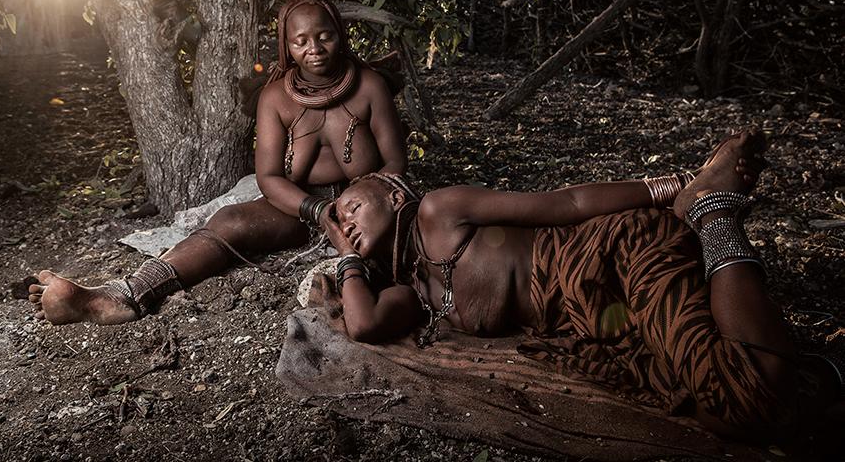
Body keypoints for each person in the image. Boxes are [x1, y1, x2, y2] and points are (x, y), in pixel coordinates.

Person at [320, 129, 843, 437]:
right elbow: (363, 323)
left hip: (612, 254)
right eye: (341, 227)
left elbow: (566, 203)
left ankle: (712, 210)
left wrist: (674, 186)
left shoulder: (440, 211)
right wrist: (347, 257)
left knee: (745, 396)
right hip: (594, 320)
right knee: (710, 408)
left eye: (352, 209)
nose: (346, 225)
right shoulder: (412, 293)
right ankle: (814, 368)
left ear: (393, 196)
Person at [29, 0, 407, 325]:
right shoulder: (275, 97)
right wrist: (316, 210)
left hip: (364, 207)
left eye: (325, 36)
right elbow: (270, 178)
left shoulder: (370, 86)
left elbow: (395, 165)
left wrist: (357, 208)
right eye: (301, 41)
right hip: (300, 206)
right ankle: (117, 296)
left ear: (340, 35)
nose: (315, 49)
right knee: (228, 220)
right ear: (287, 46)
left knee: (406, 248)